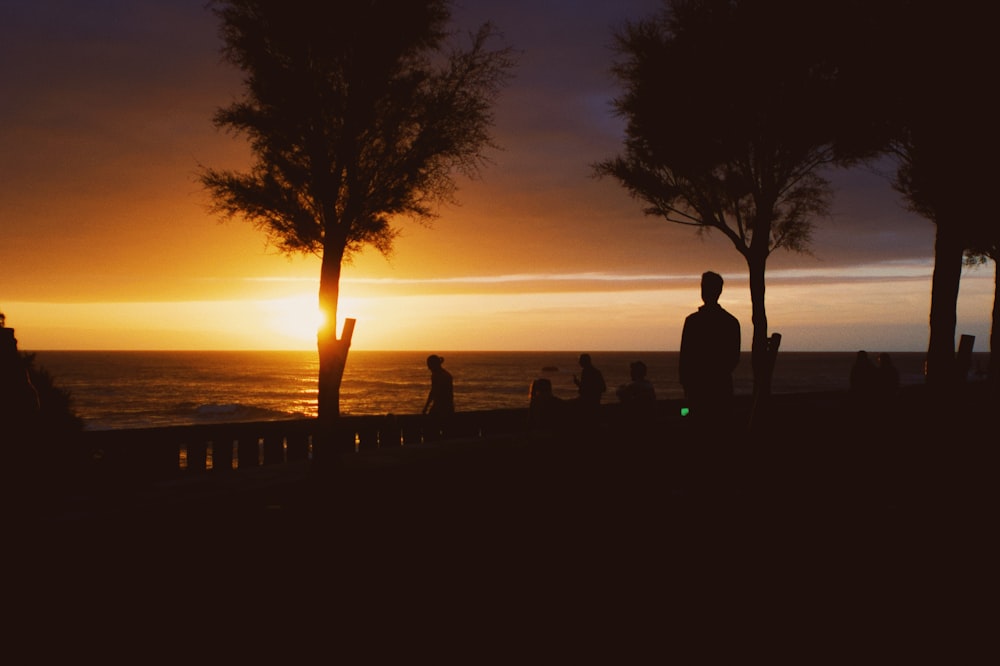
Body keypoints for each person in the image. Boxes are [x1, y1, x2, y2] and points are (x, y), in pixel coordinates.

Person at [678, 271, 741, 421]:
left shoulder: (693, 322)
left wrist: (689, 382)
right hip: (718, 387)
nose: (704, 291)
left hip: (702, 389)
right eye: (703, 287)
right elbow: (733, 359)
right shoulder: (730, 322)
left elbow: (685, 358)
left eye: (706, 287)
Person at [422, 354, 454, 440]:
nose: (428, 368)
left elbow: (434, 392)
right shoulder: (445, 375)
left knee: (432, 430)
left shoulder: (438, 376)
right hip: (448, 407)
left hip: (441, 407)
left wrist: (426, 407)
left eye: (429, 365)